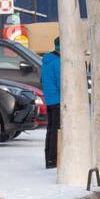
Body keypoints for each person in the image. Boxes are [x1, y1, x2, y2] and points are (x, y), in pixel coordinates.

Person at [41, 37, 61, 170]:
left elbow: (43, 79)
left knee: (51, 129)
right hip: (59, 99)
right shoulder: (58, 62)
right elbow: (62, 82)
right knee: (57, 130)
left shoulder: (47, 61)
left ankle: (49, 158)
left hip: (49, 99)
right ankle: (54, 159)